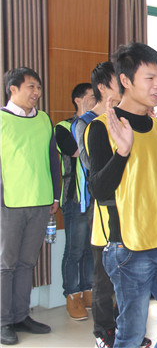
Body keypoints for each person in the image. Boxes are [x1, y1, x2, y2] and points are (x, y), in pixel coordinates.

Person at [85, 43, 157, 347]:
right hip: (129, 246)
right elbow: (99, 190)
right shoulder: (101, 127)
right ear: (126, 80)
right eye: (150, 78)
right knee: (130, 336)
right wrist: (122, 152)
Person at [1, 67, 59, 345]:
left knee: (26, 263)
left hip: (40, 202)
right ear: (13, 89)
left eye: (38, 87)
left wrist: (55, 196)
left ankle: (21, 315)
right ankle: (3, 320)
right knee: (6, 265)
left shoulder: (44, 119)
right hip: (9, 203)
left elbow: (52, 159)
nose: (37, 92)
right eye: (31, 87)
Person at [55, 82, 95, 320]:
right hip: (74, 197)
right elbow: (74, 150)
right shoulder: (63, 127)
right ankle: (72, 294)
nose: (94, 99)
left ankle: (89, 289)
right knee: (75, 249)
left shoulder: (97, 124)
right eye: (91, 95)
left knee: (92, 248)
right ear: (78, 99)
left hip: (96, 196)